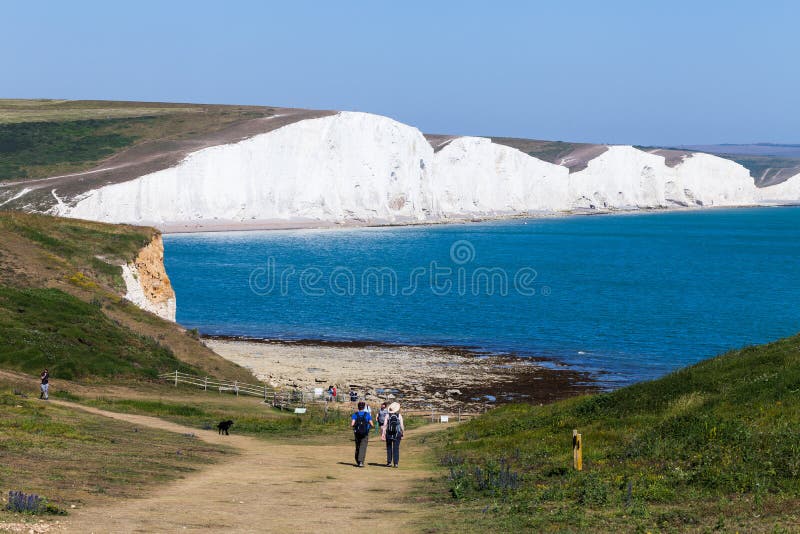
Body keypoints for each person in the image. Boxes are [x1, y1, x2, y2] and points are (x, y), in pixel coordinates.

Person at [350, 401, 374, 467]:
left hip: (357, 433)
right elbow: (372, 424)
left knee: (357, 446)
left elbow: (352, 424)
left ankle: (357, 460)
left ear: (358, 407)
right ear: (364, 407)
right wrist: (371, 426)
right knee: (363, 447)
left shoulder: (355, 414)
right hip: (365, 433)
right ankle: (361, 461)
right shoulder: (367, 414)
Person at [381, 402, 404, 468]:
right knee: (396, 448)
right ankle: (396, 463)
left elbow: (384, 425)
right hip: (397, 433)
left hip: (389, 433)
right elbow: (402, 425)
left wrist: (383, 434)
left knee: (389, 448)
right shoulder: (399, 416)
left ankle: (389, 462)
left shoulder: (387, 415)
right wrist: (402, 432)